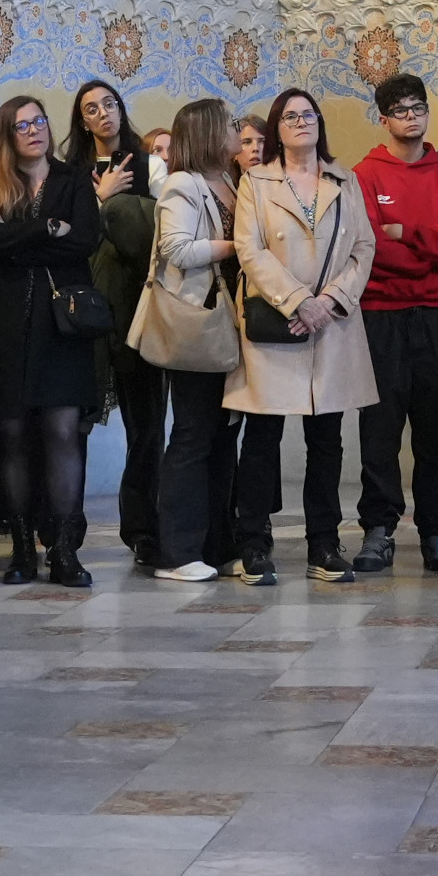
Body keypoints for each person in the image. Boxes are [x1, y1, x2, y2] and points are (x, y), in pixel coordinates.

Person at [232, 88, 378, 580]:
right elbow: (249, 249)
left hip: (332, 324)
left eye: (308, 114)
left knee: (327, 440)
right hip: (277, 320)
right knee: (262, 438)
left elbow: (364, 246)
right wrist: (298, 301)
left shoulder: (344, 179)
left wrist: (330, 301)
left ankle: (324, 543)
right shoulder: (256, 181)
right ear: (277, 128)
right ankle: (253, 542)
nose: (301, 122)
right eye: (290, 116)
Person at [0, 91, 106, 589]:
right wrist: (46, 228)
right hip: (3, 324)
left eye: (40, 122)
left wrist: (20, 238)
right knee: (12, 435)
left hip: (61, 326)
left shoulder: (73, 179)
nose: (34, 131)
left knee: (63, 431)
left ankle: (64, 550)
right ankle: (22, 549)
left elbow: (84, 241)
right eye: (23, 126)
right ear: (7, 136)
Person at [351, 73, 438, 574]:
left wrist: (407, 233)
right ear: (383, 119)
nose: (411, 117)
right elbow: (370, 247)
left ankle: (437, 531)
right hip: (381, 315)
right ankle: (378, 529)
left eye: (418, 108)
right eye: (401, 111)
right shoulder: (364, 175)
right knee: (379, 429)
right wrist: (431, 251)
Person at [140, 99, 249, 582]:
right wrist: (242, 246)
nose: (238, 130)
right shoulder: (183, 183)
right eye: (230, 123)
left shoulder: (229, 180)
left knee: (223, 438)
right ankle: (177, 553)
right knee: (192, 435)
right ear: (208, 132)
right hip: (198, 323)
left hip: (229, 323)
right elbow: (177, 249)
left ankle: (218, 546)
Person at [70, 86, 166, 573]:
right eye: (92, 109)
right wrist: (99, 198)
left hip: (137, 311)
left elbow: (167, 233)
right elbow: (64, 238)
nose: (103, 113)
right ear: (83, 122)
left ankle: (143, 530)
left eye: (109, 104)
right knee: (73, 427)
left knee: (146, 428)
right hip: (80, 315)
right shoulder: (68, 173)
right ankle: (65, 531)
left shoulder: (151, 166)